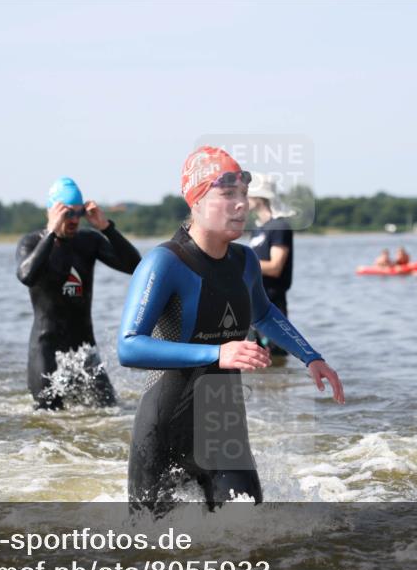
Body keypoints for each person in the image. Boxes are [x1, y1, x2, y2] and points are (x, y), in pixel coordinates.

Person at [118, 146, 345, 513]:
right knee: (154, 555)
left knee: (250, 538)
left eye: (243, 193)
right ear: (196, 200)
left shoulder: (244, 261)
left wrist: (311, 357)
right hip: (163, 429)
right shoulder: (165, 262)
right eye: (227, 194)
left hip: (223, 428)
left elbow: (264, 313)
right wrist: (217, 352)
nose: (241, 204)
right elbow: (129, 347)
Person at [16, 177, 141, 410]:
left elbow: (136, 266)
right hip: (46, 351)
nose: (74, 220)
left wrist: (106, 228)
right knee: (47, 416)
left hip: (84, 350)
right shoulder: (32, 243)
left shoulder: (89, 241)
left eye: (78, 213)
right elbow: (26, 276)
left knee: (110, 410)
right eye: (67, 214)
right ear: (52, 212)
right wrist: (52, 232)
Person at [247, 172, 295, 356]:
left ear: (261, 197)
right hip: (254, 303)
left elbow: (275, 267)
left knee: (276, 357)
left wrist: (241, 263)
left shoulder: (280, 226)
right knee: (257, 359)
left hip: (273, 304)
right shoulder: (257, 230)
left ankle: (283, 385)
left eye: (248, 194)